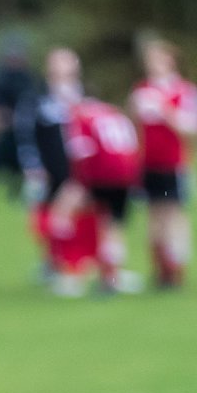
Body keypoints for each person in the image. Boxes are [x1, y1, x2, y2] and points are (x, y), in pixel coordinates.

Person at [14, 47, 95, 291]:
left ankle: (75, 264)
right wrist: (32, 166)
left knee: (76, 216)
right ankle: (52, 261)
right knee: (45, 217)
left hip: (79, 168)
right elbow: (25, 135)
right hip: (48, 168)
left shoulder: (84, 97)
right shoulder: (36, 99)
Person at [130, 39, 197, 289]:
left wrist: (165, 111)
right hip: (149, 163)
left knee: (174, 215)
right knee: (153, 216)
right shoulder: (141, 90)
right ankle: (159, 268)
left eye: (159, 59)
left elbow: (191, 128)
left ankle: (176, 269)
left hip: (175, 163)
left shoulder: (185, 90)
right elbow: (136, 128)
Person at [60, 95, 143, 295]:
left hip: (101, 174)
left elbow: (80, 151)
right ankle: (111, 275)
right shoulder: (117, 115)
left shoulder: (82, 118)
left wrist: (79, 181)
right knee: (114, 226)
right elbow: (132, 146)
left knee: (63, 214)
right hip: (126, 176)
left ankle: (72, 271)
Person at [0, 34, 36, 198]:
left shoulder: (26, 77)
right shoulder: (1, 78)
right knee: (2, 154)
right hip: (8, 125)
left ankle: (18, 187)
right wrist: (3, 121)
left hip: (25, 124)